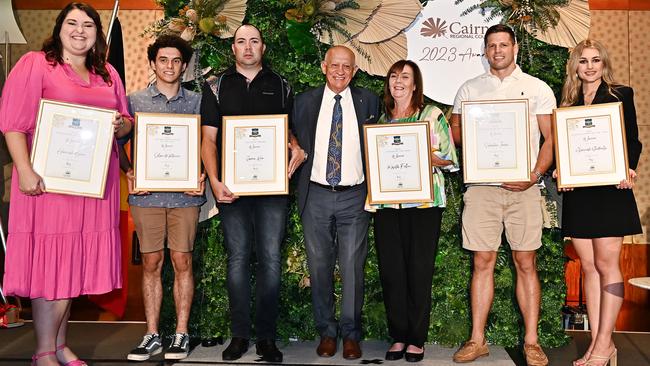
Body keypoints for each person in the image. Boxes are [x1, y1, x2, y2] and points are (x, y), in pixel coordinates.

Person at [0, 2, 131, 365]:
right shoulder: (36, 65)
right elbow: (13, 123)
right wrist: (24, 171)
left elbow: (125, 120)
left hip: (91, 189)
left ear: (96, 33)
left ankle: (59, 344)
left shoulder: (107, 74)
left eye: (87, 25)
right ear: (59, 28)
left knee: (70, 266)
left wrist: (123, 126)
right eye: (71, 23)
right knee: (50, 267)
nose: (79, 30)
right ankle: (43, 351)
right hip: (47, 187)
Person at [450, 24, 554, 366]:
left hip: (524, 190)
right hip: (482, 190)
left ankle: (532, 342)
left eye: (503, 45)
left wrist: (534, 175)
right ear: (485, 51)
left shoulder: (536, 88)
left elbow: (550, 139)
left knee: (526, 262)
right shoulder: (469, 88)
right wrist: (465, 127)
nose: (498, 51)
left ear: (515, 48)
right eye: (492, 45)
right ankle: (477, 340)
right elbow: (455, 133)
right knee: (482, 262)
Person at [200, 24, 305, 363]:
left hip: (272, 190)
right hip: (231, 190)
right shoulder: (215, 87)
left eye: (254, 41)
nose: (248, 47)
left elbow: (287, 133)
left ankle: (267, 338)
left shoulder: (281, 85)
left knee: (272, 260)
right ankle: (240, 335)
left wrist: (296, 148)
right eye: (241, 41)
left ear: (263, 47)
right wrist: (215, 181)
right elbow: (209, 140)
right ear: (233, 49)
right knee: (238, 260)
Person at [292, 45, 381, 360]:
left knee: (353, 269)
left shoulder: (369, 100)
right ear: (323, 66)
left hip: (355, 196)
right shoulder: (303, 102)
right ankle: (327, 332)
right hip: (315, 194)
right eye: (335, 65)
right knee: (319, 267)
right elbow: (289, 135)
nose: (340, 71)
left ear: (355, 71)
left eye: (347, 66)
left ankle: (351, 334)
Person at [120, 35, 205, 362]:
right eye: (163, 60)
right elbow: (118, 142)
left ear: (184, 66)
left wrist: (201, 174)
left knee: (182, 261)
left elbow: (210, 142)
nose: (169, 66)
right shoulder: (135, 101)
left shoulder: (197, 102)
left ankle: (181, 334)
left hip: (185, 197)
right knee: (152, 263)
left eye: (176, 61)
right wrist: (129, 171)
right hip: (147, 196)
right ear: (153, 64)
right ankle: (152, 334)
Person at [557, 39, 641, 366]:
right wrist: (562, 172)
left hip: (610, 190)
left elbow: (632, 139)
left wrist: (629, 168)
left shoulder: (621, 94)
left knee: (607, 266)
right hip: (580, 192)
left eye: (595, 60)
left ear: (603, 64)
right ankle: (596, 344)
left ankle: (606, 344)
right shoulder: (569, 104)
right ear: (575, 67)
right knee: (588, 268)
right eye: (583, 61)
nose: (589, 66)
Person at [368, 60, 458, 362]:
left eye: (405, 76)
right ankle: (398, 337)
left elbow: (450, 159)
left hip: (423, 206)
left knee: (419, 271)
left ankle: (416, 339)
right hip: (388, 205)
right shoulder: (381, 122)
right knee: (392, 272)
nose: (398, 81)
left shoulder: (431, 115)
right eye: (393, 76)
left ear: (415, 84)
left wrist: (422, 154)